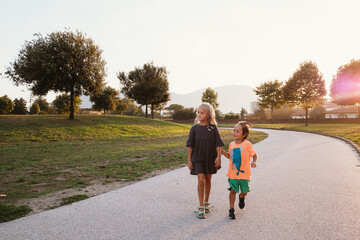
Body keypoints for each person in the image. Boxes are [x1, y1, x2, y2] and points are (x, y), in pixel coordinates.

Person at [186, 103, 224, 219]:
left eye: (202, 113)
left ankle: (206, 202)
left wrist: (218, 157)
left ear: (209, 115)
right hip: (198, 158)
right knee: (201, 180)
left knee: (208, 179)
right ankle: (201, 207)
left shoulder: (212, 128)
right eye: (198, 112)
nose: (199, 115)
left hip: (210, 158)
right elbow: (190, 145)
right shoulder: (194, 129)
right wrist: (189, 160)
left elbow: (218, 144)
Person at [221, 121, 258, 219]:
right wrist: (222, 152)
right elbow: (230, 157)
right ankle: (231, 209)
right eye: (234, 130)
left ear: (244, 134)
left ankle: (242, 197)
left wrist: (254, 162)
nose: (234, 133)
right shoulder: (231, 144)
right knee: (232, 191)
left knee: (245, 192)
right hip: (233, 174)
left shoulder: (247, 144)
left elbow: (254, 154)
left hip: (245, 175)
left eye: (237, 131)